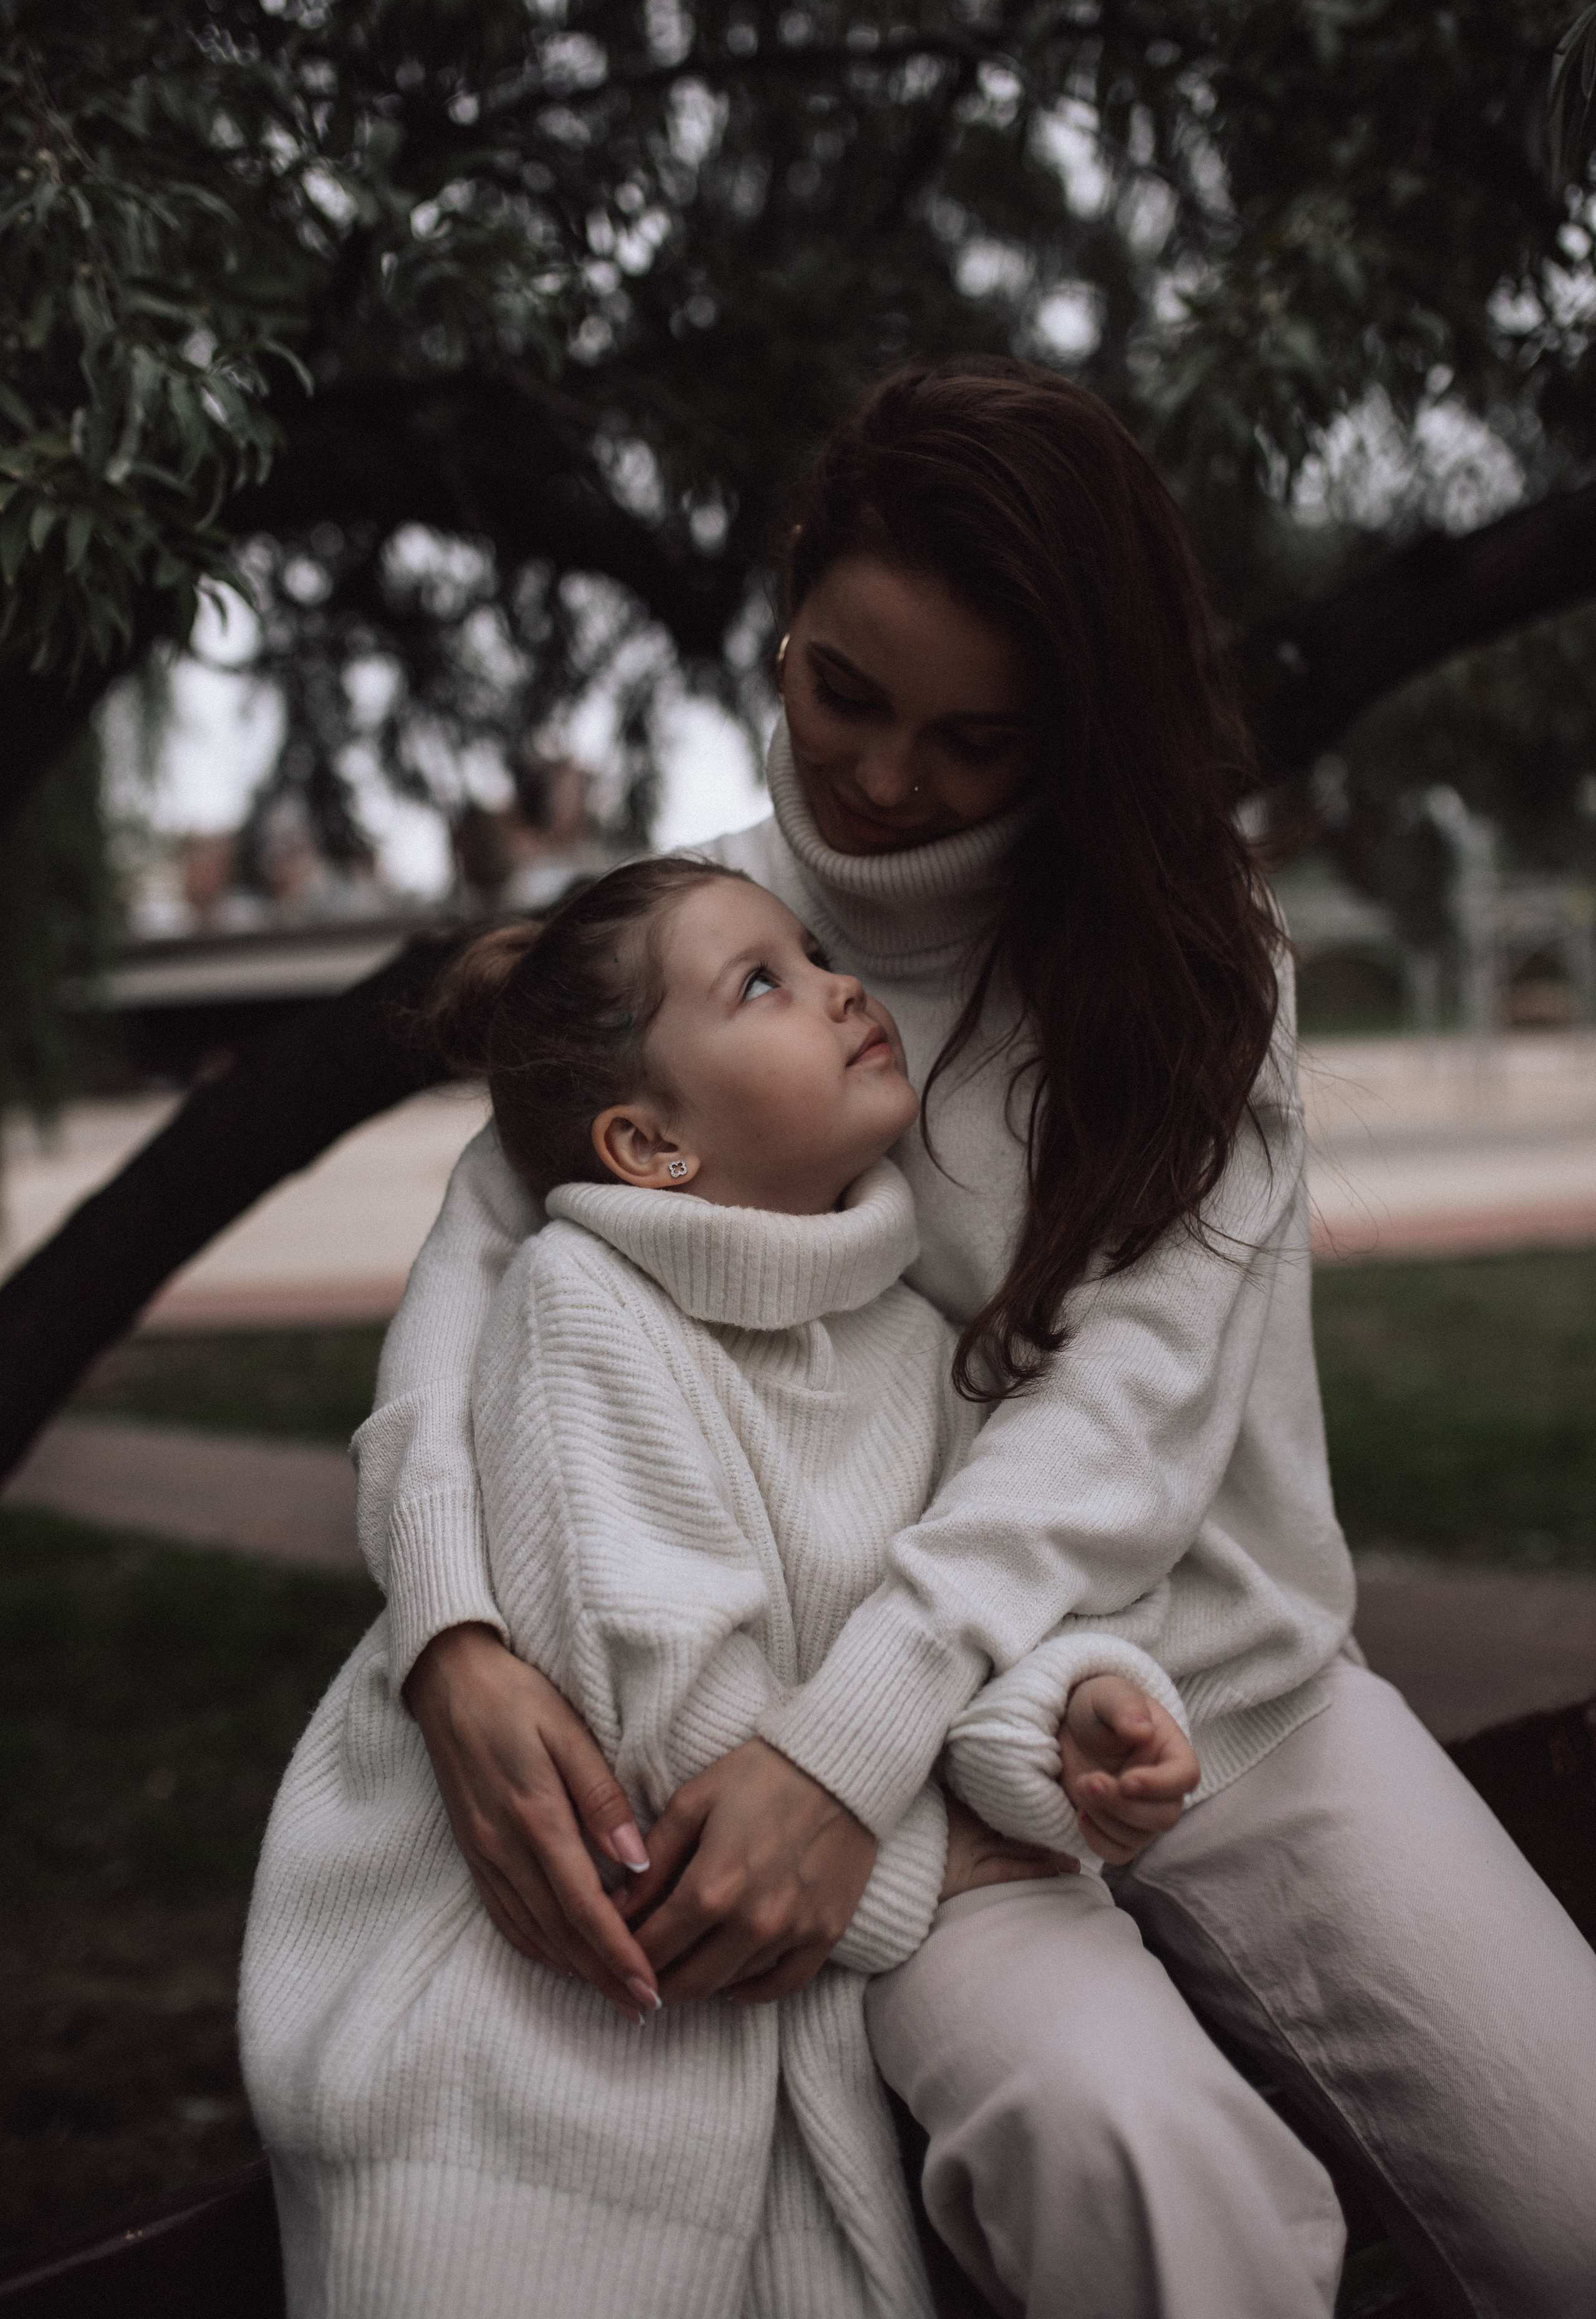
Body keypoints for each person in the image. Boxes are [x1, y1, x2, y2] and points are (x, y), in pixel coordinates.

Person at [343, 360, 1596, 2318]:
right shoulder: (695, 932)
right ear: (789, 611)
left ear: (1078, 729)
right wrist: (453, 1637)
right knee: (1141, 2169)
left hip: (1226, 1707)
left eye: (975, 739)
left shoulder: (1192, 955)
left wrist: (853, 1743)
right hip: (898, 1779)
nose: (885, 780)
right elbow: (475, 1273)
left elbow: (1136, 1409)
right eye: (843, 690)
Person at [240, 854, 1204, 2319]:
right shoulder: (581, 1314)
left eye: (813, 955)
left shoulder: (903, 1343)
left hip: (738, 2018)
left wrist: (1064, 1733)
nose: (835, 987)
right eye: (761, 982)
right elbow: (664, 1764)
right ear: (648, 1146)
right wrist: (947, 1866)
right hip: (511, 2056)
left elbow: (945, 1657)